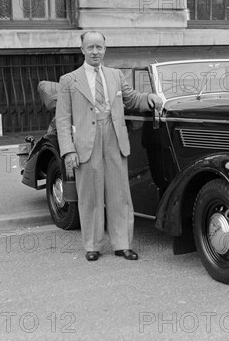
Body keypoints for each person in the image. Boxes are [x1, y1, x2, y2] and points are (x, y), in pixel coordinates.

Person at [56, 31, 163, 262]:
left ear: (105, 49)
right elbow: (63, 119)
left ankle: (122, 244)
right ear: (82, 49)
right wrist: (68, 150)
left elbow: (131, 99)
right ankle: (92, 245)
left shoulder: (115, 75)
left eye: (99, 47)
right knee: (90, 196)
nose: (95, 52)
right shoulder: (69, 81)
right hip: (86, 143)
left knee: (120, 194)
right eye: (91, 47)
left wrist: (149, 98)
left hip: (114, 139)